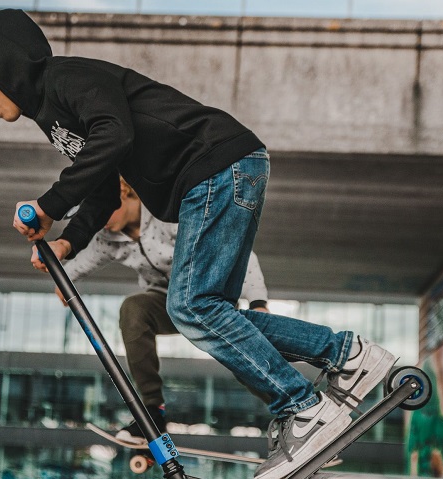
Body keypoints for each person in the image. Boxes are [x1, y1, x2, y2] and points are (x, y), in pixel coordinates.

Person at [0, 9, 396, 479]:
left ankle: (304, 409)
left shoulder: (67, 78)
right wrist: (67, 240)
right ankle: (348, 355)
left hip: (216, 166)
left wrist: (49, 204)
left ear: (4, 66)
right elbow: (106, 191)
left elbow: (115, 134)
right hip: (222, 170)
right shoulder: (50, 117)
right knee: (212, 311)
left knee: (190, 306)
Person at [37, 178, 270, 442]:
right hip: (167, 302)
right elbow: (74, 269)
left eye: (103, 209)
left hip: (209, 299)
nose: (98, 219)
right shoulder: (107, 240)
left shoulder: (168, 217)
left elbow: (239, 251)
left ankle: (291, 406)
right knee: (134, 310)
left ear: (123, 194)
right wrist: (59, 279)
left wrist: (258, 302)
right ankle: (152, 412)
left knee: (239, 358)